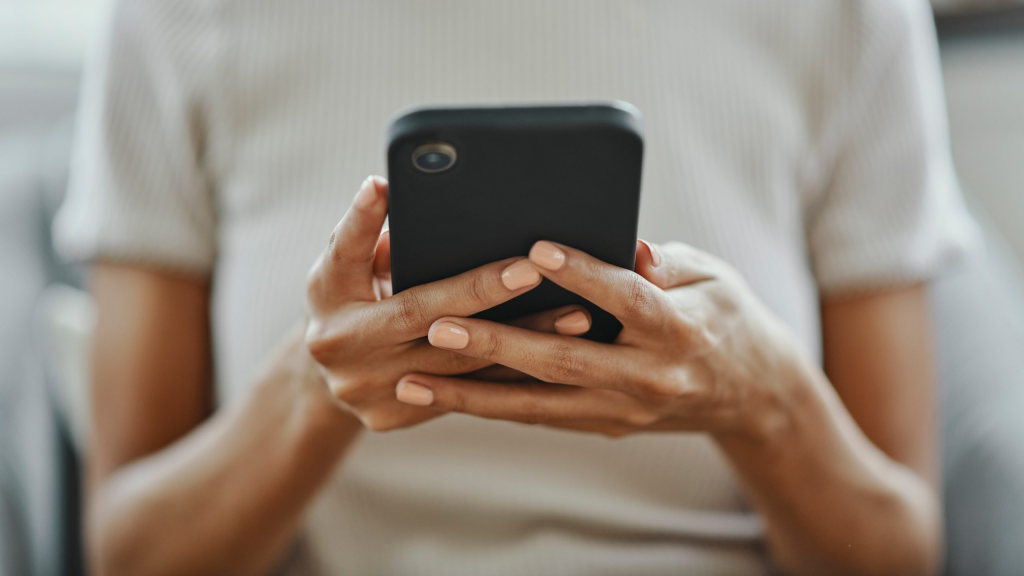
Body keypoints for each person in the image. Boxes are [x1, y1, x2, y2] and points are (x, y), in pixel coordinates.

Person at [54, 1, 976, 574]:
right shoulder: (181, 18)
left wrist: (764, 400)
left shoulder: (846, 16)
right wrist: (314, 385)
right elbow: (133, 554)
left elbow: (896, 555)